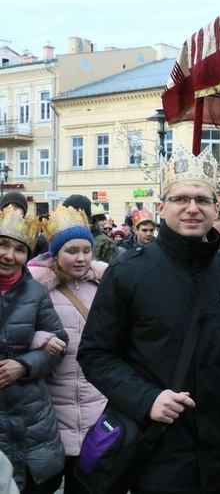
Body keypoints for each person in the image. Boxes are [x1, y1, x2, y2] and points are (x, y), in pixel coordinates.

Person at [77, 145, 220, 493]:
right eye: (181, 199)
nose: (192, 208)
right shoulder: (127, 274)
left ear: (215, 209)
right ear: (162, 208)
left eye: (202, 199)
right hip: (156, 449)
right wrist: (147, 399)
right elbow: (95, 355)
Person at [28, 206, 108, 494]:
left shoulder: (106, 285)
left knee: (86, 485)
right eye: (72, 251)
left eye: (86, 250)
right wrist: (39, 338)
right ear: (55, 254)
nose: (81, 258)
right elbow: (16, 331)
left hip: (96, 403)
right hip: (49, 407)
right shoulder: (36, 290)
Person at [0, 207, 69, 493]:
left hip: (29, 416)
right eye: (3, 244)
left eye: (19, 249)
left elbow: (59, 344)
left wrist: (25, 365)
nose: (9, 255)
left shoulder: (36, 293)